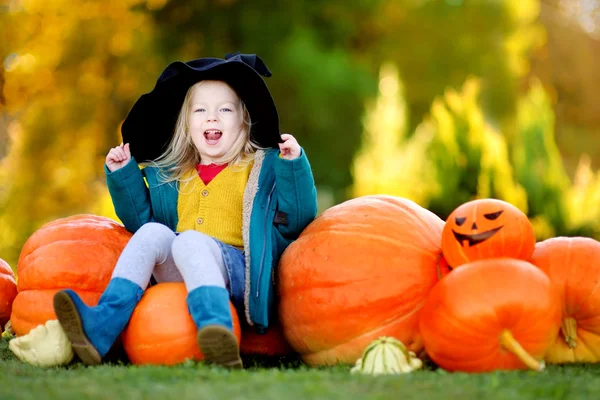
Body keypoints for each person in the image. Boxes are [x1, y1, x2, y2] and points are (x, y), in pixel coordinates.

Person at [52, 52, 318, 368]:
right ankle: (101, 327)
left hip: (238, 274)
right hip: (184, 265)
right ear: (187, 123)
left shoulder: (259, 169)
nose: (212, 117)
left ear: (243, 121)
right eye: (201, 110)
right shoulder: (176, 177)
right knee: (154, 233)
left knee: (189, 240)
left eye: (225, 110)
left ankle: (218, 328)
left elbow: (297, 217)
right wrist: (124, 176)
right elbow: (140, 222)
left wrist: (292, 165)